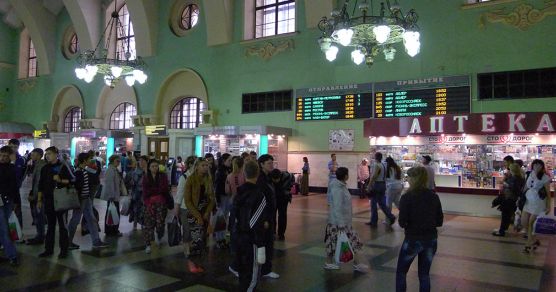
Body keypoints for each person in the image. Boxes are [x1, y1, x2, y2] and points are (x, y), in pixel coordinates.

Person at [396, 166, 444, 292]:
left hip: (413, 239)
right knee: (424, 274)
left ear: (413, 179)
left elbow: (402, 222)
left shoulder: (407, 197)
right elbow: (439, 221)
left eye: (409, 177)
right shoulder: (434, 196)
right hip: (430, 239)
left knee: (401, 272)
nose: (408, 180)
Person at [234, 160, 272, 291]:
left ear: (244, 173)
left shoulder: (238, 192)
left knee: (242, 271)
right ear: (257, 173)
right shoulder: (260, 195)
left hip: (239, 237)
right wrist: (260, 241)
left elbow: (233, 216)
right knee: (253, 274)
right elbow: (256, 221)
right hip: (252, 240)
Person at [323, 167, 368, 272]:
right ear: (345, 176)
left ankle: (355, 263)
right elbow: (337, 207)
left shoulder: (341, 186)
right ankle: (331, 263)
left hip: (342, 222)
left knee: (342, 242)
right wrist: (341, 224)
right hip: (338, 223)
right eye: (347, 174)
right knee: (349, 242)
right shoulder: (338, 188)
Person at [68, 153, 109, 249]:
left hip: (86, 199)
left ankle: (96, 241)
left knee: (91, 219)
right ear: (85, 160)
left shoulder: (85, 170)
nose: (91, 160)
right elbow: (77, 185)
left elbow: (96, 173)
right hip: (81, 199)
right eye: (89, 159)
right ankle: (68, 242)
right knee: (75, 220)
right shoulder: (78, 172)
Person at [37, 146, 72, 258]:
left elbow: (72, 181)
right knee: (50, 226)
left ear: (56, 154)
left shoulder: (63, 166)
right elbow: (41, 185)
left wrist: (60, 180)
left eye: (50, 153)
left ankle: (64, 250)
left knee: (62, 226)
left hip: (60, 200)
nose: (47, 156)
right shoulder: (45, 168)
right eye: (46, 154)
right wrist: (39, 199)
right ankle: (49, 249)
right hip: (48, 200)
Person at [184, 158, 216, 273]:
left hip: (205, 213)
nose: (206, 167)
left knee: (203, 239)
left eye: (207, 165)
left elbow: (212, 199)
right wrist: (197, 216)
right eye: (203, 165)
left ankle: (199, 262)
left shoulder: (208, 179)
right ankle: (192, 262)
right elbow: (187, 201)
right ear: (197, 166)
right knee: (196, 239)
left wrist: (207, 213)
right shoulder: (191, 180)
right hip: (194, 214)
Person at [257, 154, 280, 279]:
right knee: (266, 242)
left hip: (270, 215)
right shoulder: (261, 180)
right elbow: (261, 200)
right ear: (261, 165)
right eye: (268, 163)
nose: (271, 165)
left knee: (268, 241)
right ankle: (265, 269)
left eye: (272, 163)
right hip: (266, 217)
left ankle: (265, 268)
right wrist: (264, 218)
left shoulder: (268, 178)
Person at [522, 159, 551, 253]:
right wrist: (520, 198)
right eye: (535, 165)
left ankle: (528, 244)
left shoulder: (545, 177)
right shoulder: (530, 174)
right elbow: (526, 187)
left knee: (530, 223)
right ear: (532, 166)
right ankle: (534, 241)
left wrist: (548, 206)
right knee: (524, 222)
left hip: (538, 202)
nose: (537, 167)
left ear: (542, 167)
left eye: (539, 165)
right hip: (528, 201)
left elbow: (548, 193)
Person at [142, 159, 169, 254]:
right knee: (148, 224)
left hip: (161, 203)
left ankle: (159, 236)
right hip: (149, 203)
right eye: (153, 166)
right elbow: (145, 192)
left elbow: (164, 189)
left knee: (160, 223)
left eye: (156, 166)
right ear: (149, 168)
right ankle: (148, 244)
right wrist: (153, 194)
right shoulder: (145, 177)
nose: (155, 168)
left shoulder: (163, 176)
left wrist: (154, 191)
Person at [492, 163, 525, 237]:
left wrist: (505, 184)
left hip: (509, 199)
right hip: (513, 199)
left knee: (505, 216)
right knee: (508, 215)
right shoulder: (520, 177)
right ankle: (503, 229)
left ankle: (502, 231)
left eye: (510, 169)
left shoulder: (515, 178)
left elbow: (514, 188)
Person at [174, 155, 197, 257]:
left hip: (197, 208)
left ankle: (190, 245)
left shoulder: (200, 177)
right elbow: (179, 195)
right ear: (191, 165)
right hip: (185, 208)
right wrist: (176, 209)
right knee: (187, 229)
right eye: (197, 164)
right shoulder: (184, 177)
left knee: (195, 229)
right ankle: (186, 247)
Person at [0, 146, 19, 265]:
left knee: (6, 228)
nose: (3, 158)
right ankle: (12, 255)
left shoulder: (12, 168)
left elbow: (15, 186)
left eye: (6, 156)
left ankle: (11, 255)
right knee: (4, 229)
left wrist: (16, 202)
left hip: (7, 201)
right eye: (1, 155)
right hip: (2, 202)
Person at [366, 152, 396, 228]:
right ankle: (391, 216)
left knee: (373, 204)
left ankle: (373, 221)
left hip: (377, 185)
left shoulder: (376, 165)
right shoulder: (383, 165)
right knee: (382, 204)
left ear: (375, 157)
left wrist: (369, 186)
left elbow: (374, 176)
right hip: (383, 184)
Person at [26, 148, 47, 245]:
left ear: (39, 155)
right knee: (39, 216)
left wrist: (35, 196)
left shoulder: (41, 165)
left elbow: (39, 183)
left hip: (40, 196)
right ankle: (40, 234)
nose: (31, 155)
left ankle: (40, 236)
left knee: (39, 216)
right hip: (38, 194)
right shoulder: (37, 164)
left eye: (33, 154)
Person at [100, 154, 124, 236]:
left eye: (119, 161)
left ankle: (112, 230)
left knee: (113, 213)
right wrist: (111, 196)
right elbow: (110, 184)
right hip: (113, 196)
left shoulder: (114, 169)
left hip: (114, 195)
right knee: (113, 213)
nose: (118, 162)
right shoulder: (111, 170)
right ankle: (112, 230)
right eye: (117, 161)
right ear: (112, 161)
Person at [270, 168, 294, 241]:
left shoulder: (287, 176)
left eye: (277, 179)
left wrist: (288, 189)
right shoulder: (269, 177)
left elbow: (292, 181)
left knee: (282, 215)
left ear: (280, 177)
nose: (276, 181)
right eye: (274, 180)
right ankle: (273, 232)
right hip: (274, 198)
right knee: (272, 215)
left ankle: (281, 233)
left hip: (283, 198)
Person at [214, 153, 232, 248]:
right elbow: (217, 186)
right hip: (222, 196)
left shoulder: (228, 170)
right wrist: (217, 199)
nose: (230, 162)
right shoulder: (220, 171)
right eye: (229, 160)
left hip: (227, 196)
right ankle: (219, 238)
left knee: (224, 218)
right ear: (224, 161)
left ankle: (222, 237)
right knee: (221, 218)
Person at [8, 139, 25, 233]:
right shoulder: (4, 157)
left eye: (15, 147)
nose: (13, 149)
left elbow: (21, 175)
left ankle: (17, 233)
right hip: (4, 190)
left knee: (17, 212)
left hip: (15, 191)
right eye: (11, 147)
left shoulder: (21, 160)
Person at [130, 155, 149, 230]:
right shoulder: (136, 171)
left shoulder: (148, 171)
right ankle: (135, 223)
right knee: (136, 208)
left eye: (143, 161)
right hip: (137, 193)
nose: (141, 162)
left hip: (145, 193)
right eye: (140, 161)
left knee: (144, 209)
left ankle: (143, 223)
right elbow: (133, 182)